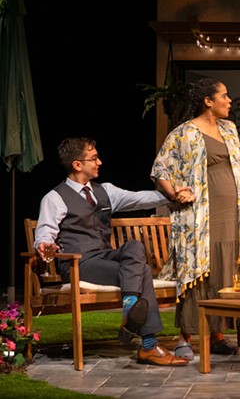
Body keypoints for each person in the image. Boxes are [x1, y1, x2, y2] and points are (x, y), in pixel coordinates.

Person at [151, 78, 240, 360]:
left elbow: (238, 167)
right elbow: (160, 169)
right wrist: (175, 193)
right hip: (199, 218)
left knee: (226, 270)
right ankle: (186, 337)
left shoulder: (229, 129)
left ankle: (218, 336)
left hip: (232, 215)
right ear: (208, 101)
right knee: (198, 272)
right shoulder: (184, 133)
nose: (229, 101)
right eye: (224, 96)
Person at [34, 137, 194, 366]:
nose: (99, 162)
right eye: (94, 158)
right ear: (77, 165)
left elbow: (140, 198)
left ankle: (130, 311)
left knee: (134, 247)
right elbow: (45, 234)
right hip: (79, 264)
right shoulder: (55, 198)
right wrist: (44, 245)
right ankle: (148, 345)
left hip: (104, 256)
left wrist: (173, 194)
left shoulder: (105, 191)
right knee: (143, 271)